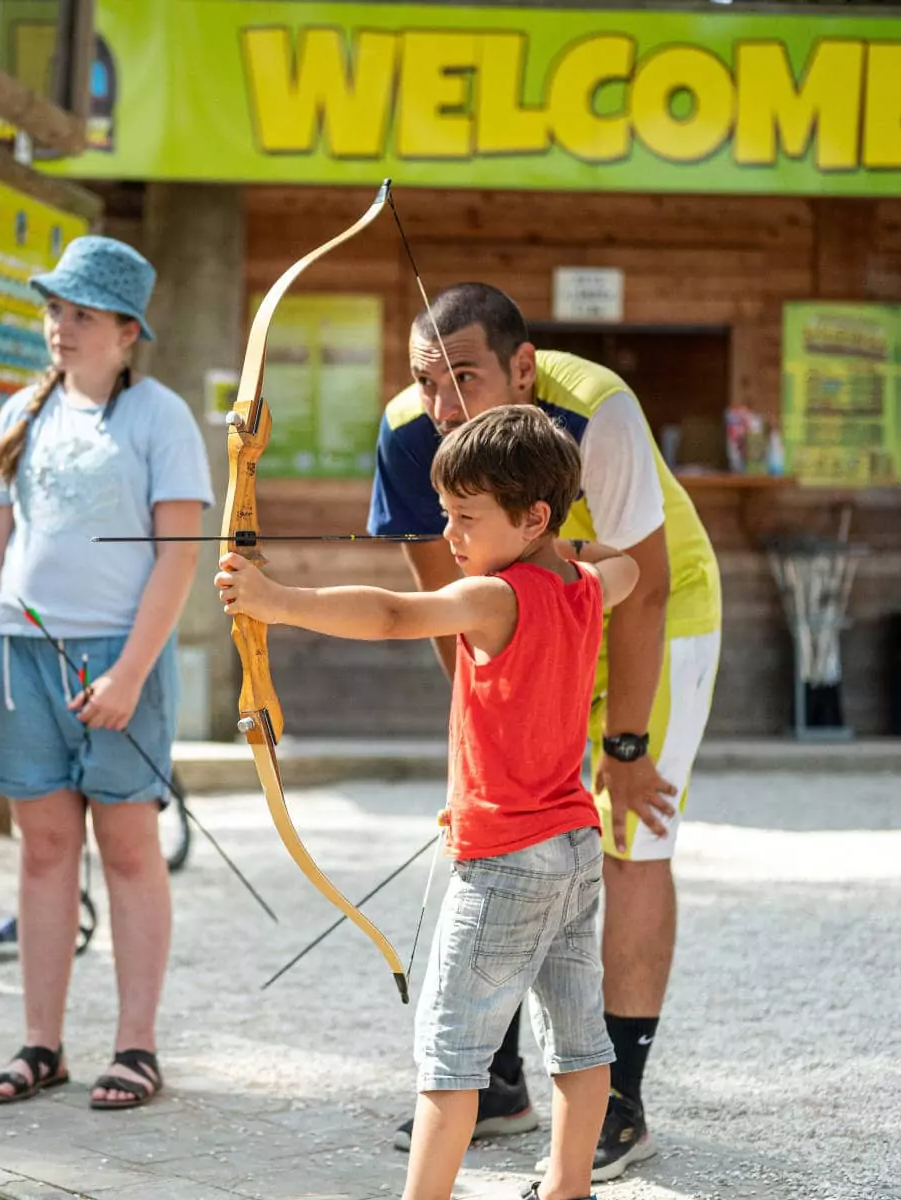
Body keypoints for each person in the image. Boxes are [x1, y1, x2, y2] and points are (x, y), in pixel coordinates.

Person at [218, 405, 638, 1200]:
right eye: (446, 514)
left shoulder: (492, 595)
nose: (450, 536)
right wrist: (562, 548)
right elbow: (630, 567)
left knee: (450, 1054)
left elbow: (392, 613)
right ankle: (567, 1186)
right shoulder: (583, 586)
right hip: (575, 850)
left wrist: (276, 600)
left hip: (507, 861)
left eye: (467, 518)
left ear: (534, 514)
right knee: (580, 1040)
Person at [370, 283, 722, 1179]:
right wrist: (493, 747)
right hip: (527, 623)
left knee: (627, 835)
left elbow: (642, 588)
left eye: (465, 377)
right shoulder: (412, 430)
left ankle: (624, 1106)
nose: (442, 406)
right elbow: (442, 610)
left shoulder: (599, 408)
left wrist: (625, 750)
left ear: (522, 369)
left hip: (651, 608)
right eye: (426, 381)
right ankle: (496, 1088)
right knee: (501, 830)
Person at [0, 235, 212, 1111]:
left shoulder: (161, 418)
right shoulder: (20, 414)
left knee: (128, 850)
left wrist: (131, 673)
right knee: (44, 849)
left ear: (127, 331)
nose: (60, 326)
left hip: (122, 659)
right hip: (23, 658)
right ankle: (41, 1045)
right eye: (55, 309)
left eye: (81, 314)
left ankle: (136, 1048)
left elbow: (177, 560)